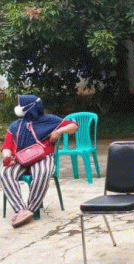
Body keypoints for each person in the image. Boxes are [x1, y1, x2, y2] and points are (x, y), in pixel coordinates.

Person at [1, 95, 78, 228]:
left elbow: (73, 126)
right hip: (20, 158)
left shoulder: (50, 120)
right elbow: (6, 146)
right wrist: (7, 156)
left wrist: (59, 131)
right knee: (5, 173)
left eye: (21, 104)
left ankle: (31, 209)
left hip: (43, 155)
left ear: (31, 108)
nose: (18, 108)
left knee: (42, 172)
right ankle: (20, 210)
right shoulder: (16, 125)